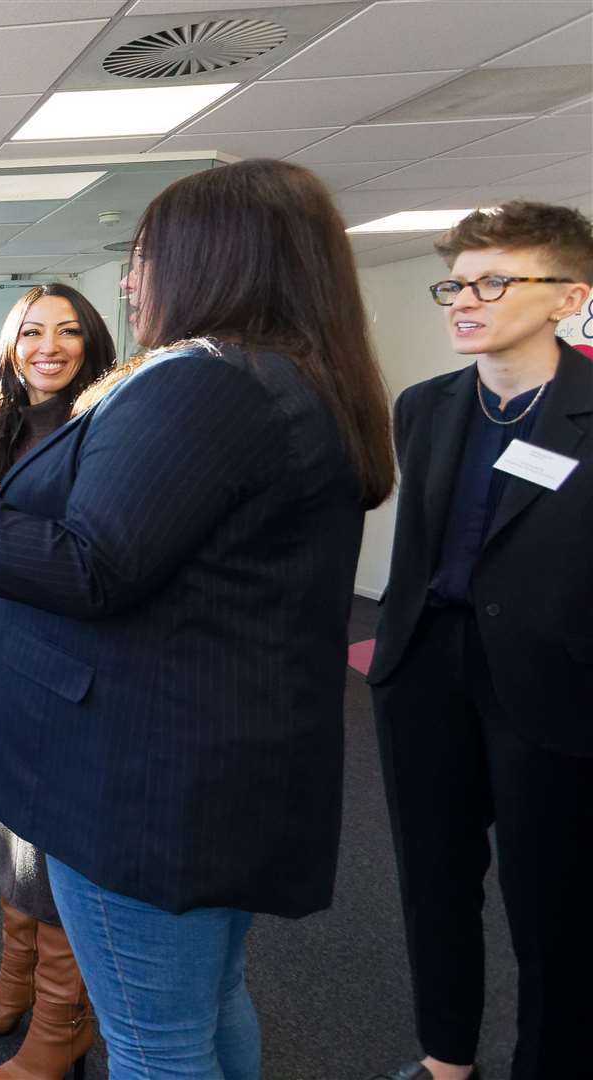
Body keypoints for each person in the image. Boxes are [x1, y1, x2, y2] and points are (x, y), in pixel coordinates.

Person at [0, 159, 394, 1079]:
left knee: (155, 1047)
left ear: (212, 259)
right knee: (207, 1006)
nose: (132, 278)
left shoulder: (206, 386)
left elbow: (90, 565)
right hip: (210, 759)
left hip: (142, 781)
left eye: (147, 255)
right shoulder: (290, 381)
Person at [364, 202, 593, 1080]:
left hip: (550, 682)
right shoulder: (425, 407)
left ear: (570, 295)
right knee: (433, 886)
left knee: (553, 904)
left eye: (495, 281)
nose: (466, 299)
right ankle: (445, 1060)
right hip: (424, 669)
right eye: (456, 283)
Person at [0, 283, 116, 1080]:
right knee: (13, 842)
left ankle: (60, 1028)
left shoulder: (104, 429)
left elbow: (76, 561)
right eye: (32, 332)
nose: (49, 347)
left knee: (50, 857)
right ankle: (14, 992)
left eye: (69, 331)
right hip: (2, 658)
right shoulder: (3, 428)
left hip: (63, 671)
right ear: (10, 346)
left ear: (94, 342)